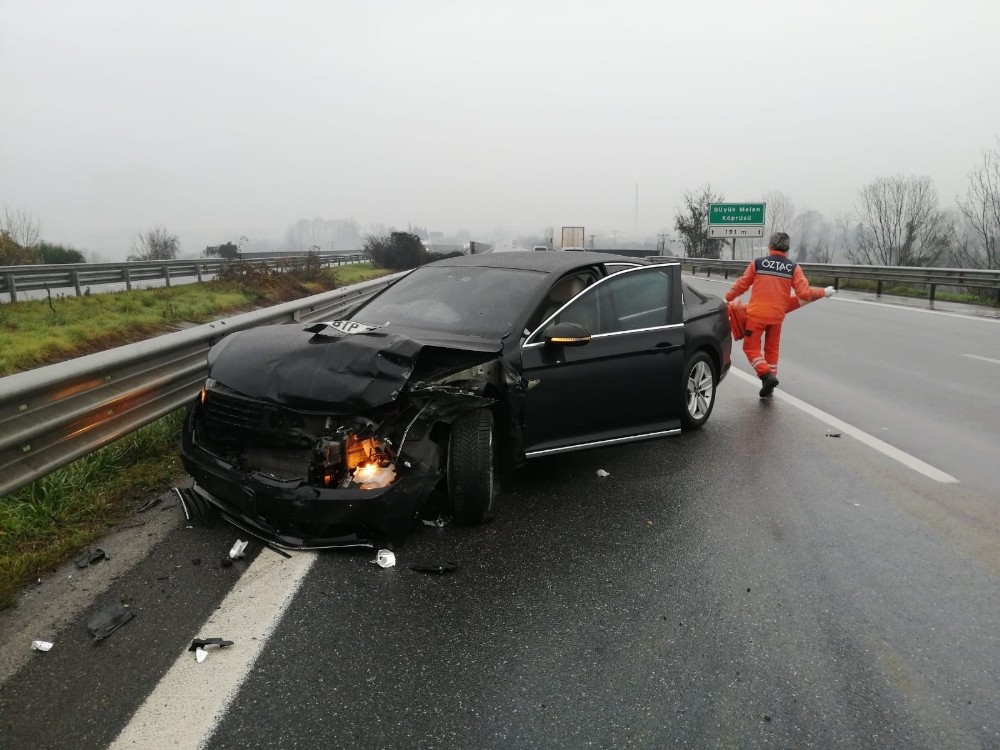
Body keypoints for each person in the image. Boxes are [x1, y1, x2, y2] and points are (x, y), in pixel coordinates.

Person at [724, 232, 836, 398]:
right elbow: (804, 293)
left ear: (770, 246)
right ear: (787, 249)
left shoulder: (758, 264)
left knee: (750, 348)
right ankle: (770, 383)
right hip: (777, 317)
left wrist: (728, 297)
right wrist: (823, 292)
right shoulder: (793, 268)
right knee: (771, 349)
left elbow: (742, 285)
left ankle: (765, 375)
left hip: (756, 316)